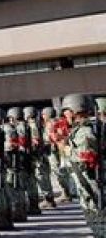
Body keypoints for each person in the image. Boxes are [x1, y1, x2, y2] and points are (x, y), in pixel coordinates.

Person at [61, 93, 106, 237]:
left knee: (97, 217)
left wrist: (67, 150)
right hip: (88, 183)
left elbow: (87, 160)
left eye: (66, 111)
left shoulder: (84, 131)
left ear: (75, 110)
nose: (65, 115)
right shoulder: (82, 129)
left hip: (91, 183)